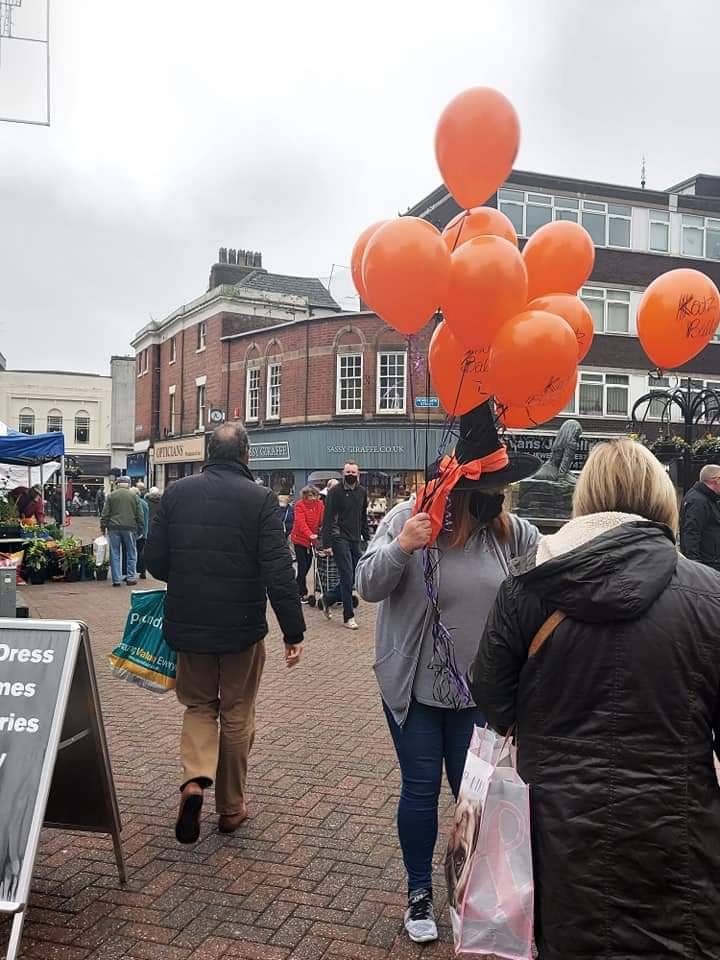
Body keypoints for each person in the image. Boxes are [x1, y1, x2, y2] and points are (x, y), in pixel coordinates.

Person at [469, 438, 720, 960]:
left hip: (558, 836)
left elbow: (491, 697)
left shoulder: (527, 589)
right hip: (678, 835)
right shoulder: (710, 596)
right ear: (662, 499)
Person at [356, 401, 540, 944]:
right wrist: (401, 546)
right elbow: (367, 584)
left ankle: (469, 889)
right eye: (492, 486)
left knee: (473, 797)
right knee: (419, 789)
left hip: (478, 695)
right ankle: (418, 891)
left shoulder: (512, 535)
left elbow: (537, 591)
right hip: (414, 688)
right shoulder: (407, 517)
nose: (499, 496)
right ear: (462, 487)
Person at [144, 422, 305, 845]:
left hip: (189, 623)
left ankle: (194, 781)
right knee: (236, 712)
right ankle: (231, 808)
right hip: (241, 630)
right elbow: (278, 570)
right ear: (247, 456)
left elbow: (154, 562)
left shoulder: (177, 494)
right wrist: (293, 630)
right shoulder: (261, 499)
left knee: (198, 706)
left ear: (206, 452)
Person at [320, 462, 369, 630]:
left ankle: (328, 598)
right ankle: (348, 616)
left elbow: (363, 515)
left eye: (353, 472)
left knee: (356, 575)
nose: (351, 474)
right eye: (348, 471)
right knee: (347, 576)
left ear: (358, 474)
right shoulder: (334, 492)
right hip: (339, 538)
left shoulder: (362, 492)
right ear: (343, 473)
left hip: (355, 538)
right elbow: (327, 518)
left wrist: (367, 537)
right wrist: (326, 543)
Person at [100, 475, 144, 587]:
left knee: (114, 553)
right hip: (130, 528)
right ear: (128, 484)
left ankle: (116, 579)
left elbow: (105, 513)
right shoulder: (134, 496)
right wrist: (141, 528)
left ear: (117, 484)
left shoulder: (111, 496)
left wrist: (103, 526)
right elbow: (140, 514)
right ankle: (130, 577)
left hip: (113, 527)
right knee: (131, 552)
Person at [680, 462, 720, 570]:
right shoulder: (698, 501)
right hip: (707, 565)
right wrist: (695, 566)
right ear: (716, 480)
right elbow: (691, 533)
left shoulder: (706, 498)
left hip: (710, 561)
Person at [291, 486, 324, 602]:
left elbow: (322, 520)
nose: (312, 498)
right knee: (302, 565)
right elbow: (300, 522)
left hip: (312, 541)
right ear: (305, 496)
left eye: (313, 495)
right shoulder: (300, 505)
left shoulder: (319, 505)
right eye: (309, 496)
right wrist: (309, 534)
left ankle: (293, 586)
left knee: (308, 564)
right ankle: (302, 592)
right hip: (299, 539)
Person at [132, 486, 150, 580]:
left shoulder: (134, 503)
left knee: (130, 552)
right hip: (144, 532)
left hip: (134, 531)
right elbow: (147, 518)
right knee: (141, 552)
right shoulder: (144, 503)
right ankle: (142, 571)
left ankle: (130, 572)